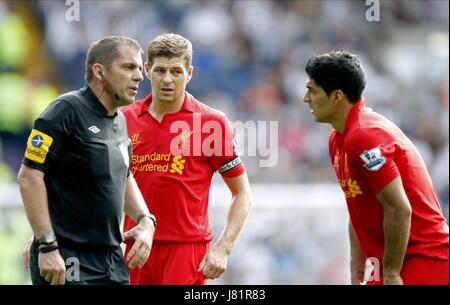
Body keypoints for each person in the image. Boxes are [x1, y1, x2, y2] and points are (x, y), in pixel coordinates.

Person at [18, 36, 156, 285]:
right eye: (128, 67)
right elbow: (29, 176)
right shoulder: (64, 111)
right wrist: (47, 245)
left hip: (112, 260)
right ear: (99, 71)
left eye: (139, 68)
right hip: (67, 259)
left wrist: (145, 219)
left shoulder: (120, 121)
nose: (139, 76)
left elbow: (124, 175)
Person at [303, 50, 449, 285]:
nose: (305, 98)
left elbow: (399, 209)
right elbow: (358, 208)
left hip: (424, 259)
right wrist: (357, 270)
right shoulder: (338, 138)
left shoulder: (365, 136)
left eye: (312, 91)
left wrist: (391, 274)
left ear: (337, 96)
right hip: (389, 263)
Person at [120, 33, 252, 285]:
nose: (167, 79)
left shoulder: (211, 123)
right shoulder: (123, 120)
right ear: (147, 70)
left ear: (189, 73)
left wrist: (223, 247)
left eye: (176, 71)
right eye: (160, 70)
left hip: (186, 252)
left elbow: (242, 192)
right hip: (135, 247)